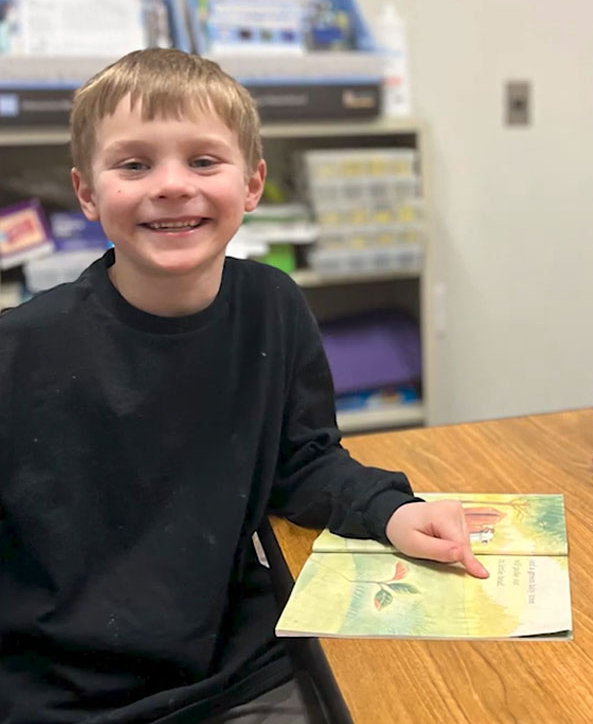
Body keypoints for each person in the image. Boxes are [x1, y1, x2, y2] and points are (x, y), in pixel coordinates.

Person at [0, 48, 487, 724]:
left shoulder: (273, 306)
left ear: (252, 184)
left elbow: (303, 460)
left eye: (203, 161)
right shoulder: (20, 348)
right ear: (86, 192)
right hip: (63, 696)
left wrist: (392, 511)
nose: (172, 185)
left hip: (240, 669)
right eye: (134, 163)